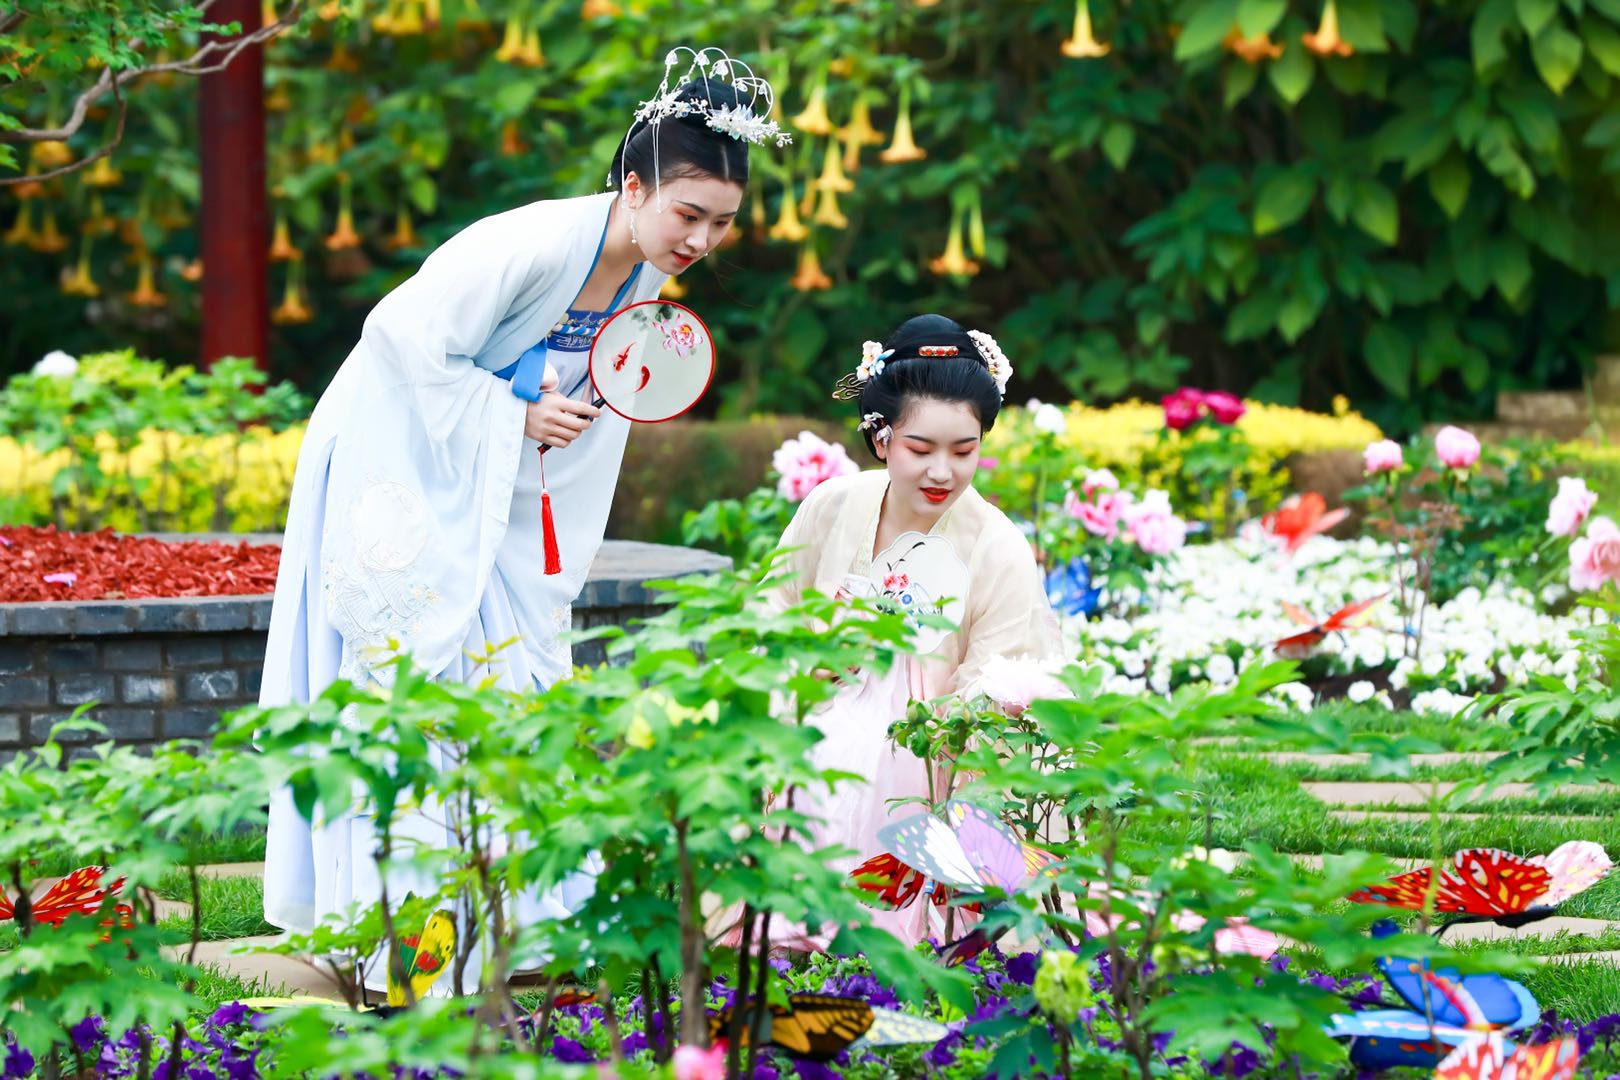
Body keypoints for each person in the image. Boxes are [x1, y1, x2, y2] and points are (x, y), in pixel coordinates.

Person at [259, 48, 789, 981]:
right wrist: (514, 411)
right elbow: (397, 341)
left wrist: (539, 425)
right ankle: (411, 946)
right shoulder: (537, 242)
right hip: (399, 452)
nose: (701, 240)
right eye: (688, 214)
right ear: (635, 185)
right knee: (417, 689)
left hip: (491, 482)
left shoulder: (644, 281)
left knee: (510, 686)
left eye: (722, 224)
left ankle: (514, 931)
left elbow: (593, 401)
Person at [760, 314, 1063, 947]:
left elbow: (1008, 682)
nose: (943, 473)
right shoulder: (832, 506)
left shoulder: (998, 546)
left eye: (965, 450)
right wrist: (810, 660)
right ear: (881, 440)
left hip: (930, 746)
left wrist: (927, 714)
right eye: (920, 450)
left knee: (880, 749)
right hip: (817, 702)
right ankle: (789, 902)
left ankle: (900, 911)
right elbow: (771, 613)